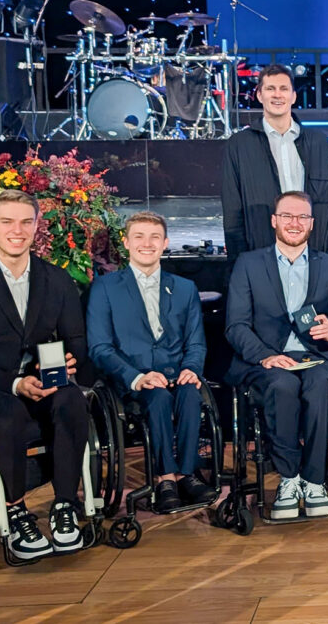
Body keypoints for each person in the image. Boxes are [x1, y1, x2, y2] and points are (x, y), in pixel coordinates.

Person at [0, 190, 92, 561]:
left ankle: (64, 506)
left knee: (73, 398)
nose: (17, 230)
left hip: (41, 380)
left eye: (26, 222)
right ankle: (17, 511)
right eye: (7, 221)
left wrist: (68, 362)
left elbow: (77, 341)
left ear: (37, 226)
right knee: (8, 414)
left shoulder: (56, 280)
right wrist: (14, 384)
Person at [224, 191, 328, 519]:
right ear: (274, 221)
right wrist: (265, 356)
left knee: (320, 384)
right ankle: (289, 478)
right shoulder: (249, 264)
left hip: (316, 358)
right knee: (282, 386)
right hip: (267, 359)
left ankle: (313, 481)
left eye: (302, 217)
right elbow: (236, 326)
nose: (294, 223)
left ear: (312, 224)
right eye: (287, 216)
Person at [86, 211, 217, 511]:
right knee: (157, 398)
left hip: (176, 372)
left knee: (189, 394)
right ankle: (165, 477)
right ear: (127, 243)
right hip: (130, 378)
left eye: (155, 237)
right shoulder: (105, 288)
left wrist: (191, 369)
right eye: (140, 237)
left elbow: (196, 341)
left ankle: (187, 474)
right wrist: (137, 377)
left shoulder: (185, 288)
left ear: (166, 242)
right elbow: (100, 347)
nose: (147, 244)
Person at [221, 64, 328, 263]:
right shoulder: (239, 144)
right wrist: (239, 263)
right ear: (259, 95)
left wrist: (327, 259)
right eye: (270, 89)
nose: (277, 95)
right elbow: (232, 209)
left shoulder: (318, 142)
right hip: (260, 254)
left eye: (284, 89)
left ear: (293, 96)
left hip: (312, 254)